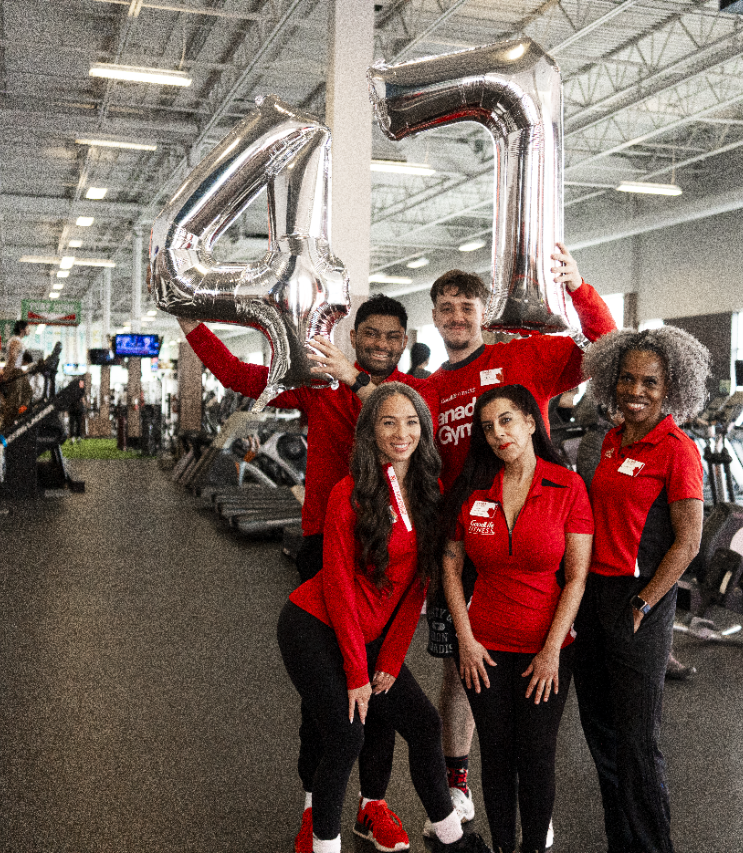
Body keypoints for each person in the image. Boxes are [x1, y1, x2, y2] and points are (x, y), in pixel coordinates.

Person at [179, 295, 422, 853]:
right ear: (354, 336)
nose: (381, 345)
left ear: (403, 342)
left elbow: (397, 421)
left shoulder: (411, 398)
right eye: (371, 335)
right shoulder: (319, 382)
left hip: (389, 557)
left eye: (392, 337)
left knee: (381, 686)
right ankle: (317, 808)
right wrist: (193, 324)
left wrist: (353, 378)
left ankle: (373, 805)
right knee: (329, 690)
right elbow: (241, 374)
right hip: (327, 547)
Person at [416, 242, 616, 824]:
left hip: (534, 533)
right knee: (458, 668)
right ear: (434, 316)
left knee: (537, 656)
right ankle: (459, 783)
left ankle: (535, 797)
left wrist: (578, 287)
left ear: (483, 312)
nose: (456, 316)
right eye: (446, 307)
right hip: (464, 539)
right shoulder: (427, 392)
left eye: (466, 306)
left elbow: (603, 349)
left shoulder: (528, 357)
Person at [277, 383, 492, 853]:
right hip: (314, 625)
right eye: (388, 422)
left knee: (422, 723)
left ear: (425, 430)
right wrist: (358, 674)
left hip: (369, 635)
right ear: (370, 432)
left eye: (412, 422)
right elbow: (337, 587)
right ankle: (324, 845)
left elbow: (415, 589)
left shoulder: (428, 492)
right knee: (346, 736)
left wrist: (390, 662)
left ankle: (452, 837)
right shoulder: (348, 493)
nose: (402, 433)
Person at [574, 327, 709, 853]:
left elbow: (689, 542)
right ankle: (621, 843)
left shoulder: (677, 450)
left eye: (649, 382)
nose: (636, 390)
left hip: (638, 601)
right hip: (592, 599)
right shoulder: (609, 439)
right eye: (626, 378)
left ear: (670, 386)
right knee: (601, 735)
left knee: (637, 742)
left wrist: (646, 602)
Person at [442, 384, 592, 853]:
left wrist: (551, 651)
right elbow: (449, 566)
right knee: (497, 754)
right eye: (487, 427)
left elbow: (576, 578)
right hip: (483, 648)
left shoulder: (567, 486)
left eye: (506, 420)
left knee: (537, 755)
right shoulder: (473, 490)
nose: (497, 434)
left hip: (544, 651)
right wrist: (464, 641)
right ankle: (505, 846)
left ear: (531, 421)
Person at [0, 321, 32, 427]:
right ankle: (7, 427)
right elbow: (12, 358)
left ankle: (17, 421)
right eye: (28, 328)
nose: (29, 330)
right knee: (13, 402)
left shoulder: (19, 341)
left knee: (27, 393)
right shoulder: (15, 342)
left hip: (18, 371)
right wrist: (6, 376)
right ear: (22, 329)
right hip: (14, 372)